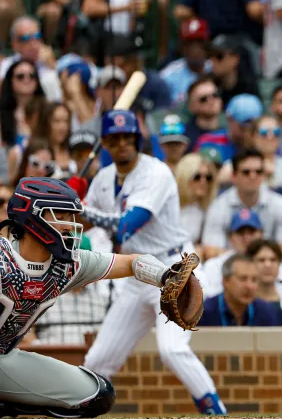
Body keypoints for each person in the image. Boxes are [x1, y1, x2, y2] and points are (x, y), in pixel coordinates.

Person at [64, 111, 226, 415]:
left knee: (172, 350)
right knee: (97, 361)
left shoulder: (157, 172)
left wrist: (81, 207)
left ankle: (216, 412)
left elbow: (128, 224)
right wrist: (68, 204)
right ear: (107, 143)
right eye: (115, 139)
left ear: (138, 140)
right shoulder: (102, 179)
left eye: (128, 138)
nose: (123, 144)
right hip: (136, 274)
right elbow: (82, 225)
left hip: (173, 269)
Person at [0, 177, 201, 418]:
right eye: (59, 216)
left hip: (5, 358)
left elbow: (131, 263)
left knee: (96, 395)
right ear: (31, 216)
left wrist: (165, 276)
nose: (69, 225)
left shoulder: (68, 265)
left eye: (70, 216)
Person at [197, 255, 280, 327]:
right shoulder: (203, 313)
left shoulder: (266, 312)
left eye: (254, 280)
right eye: (243, 279)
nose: (249, 286)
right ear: (225, 281)